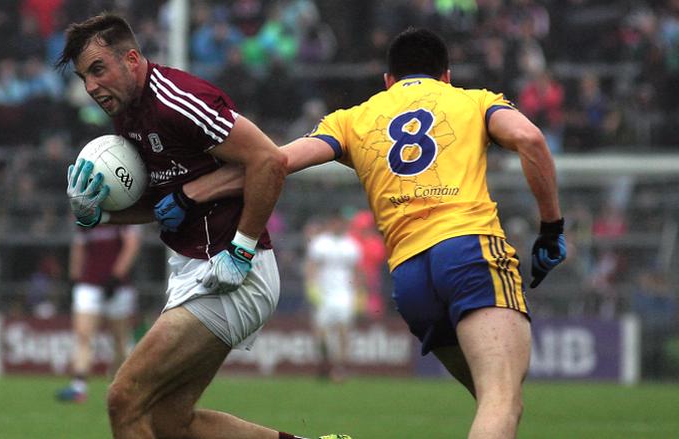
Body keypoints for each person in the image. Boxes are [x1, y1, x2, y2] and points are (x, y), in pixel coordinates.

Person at [155, 27, 567, 439]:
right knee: (502, 400)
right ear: (446, 76)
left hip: (410, 278)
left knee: (493, 399)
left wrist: (193, 192)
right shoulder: (475, 101)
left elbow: (275, 161)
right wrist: (551, 228)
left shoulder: (353, 119)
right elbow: (530, 138)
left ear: (387, 80)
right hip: (469, 252)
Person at [57, 12, 348, 439]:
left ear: (132, 59)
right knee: (170, 422)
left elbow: (269, 161)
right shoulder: (128, 116)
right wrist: (100, 215)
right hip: (195, 267)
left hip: (232, 270)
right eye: (85, 77)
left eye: (98, 69)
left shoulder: (178, 99)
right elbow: (162, 202)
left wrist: (242, 249)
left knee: (124, 397)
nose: (92, 87)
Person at [56, 224, 143, 403]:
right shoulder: (87, 217)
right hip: (88, 285)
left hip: (118, 288)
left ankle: (118, 388)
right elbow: (78, 248)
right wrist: (74, 277)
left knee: (120, 339)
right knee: (83, 335)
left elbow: (131, 245)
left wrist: (116, 276)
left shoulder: (124, 216)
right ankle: (78, 387)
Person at [304, 212, 362, 382]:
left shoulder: (351, 245)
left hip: (345, 293)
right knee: (321, 332)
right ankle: (325, 363)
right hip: (324, 293)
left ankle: (339, 368)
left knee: (344, 330)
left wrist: (359, 292)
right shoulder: (321, 243)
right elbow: (311, 266)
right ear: (331, 223)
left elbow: (357, 270)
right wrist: (311, 287)